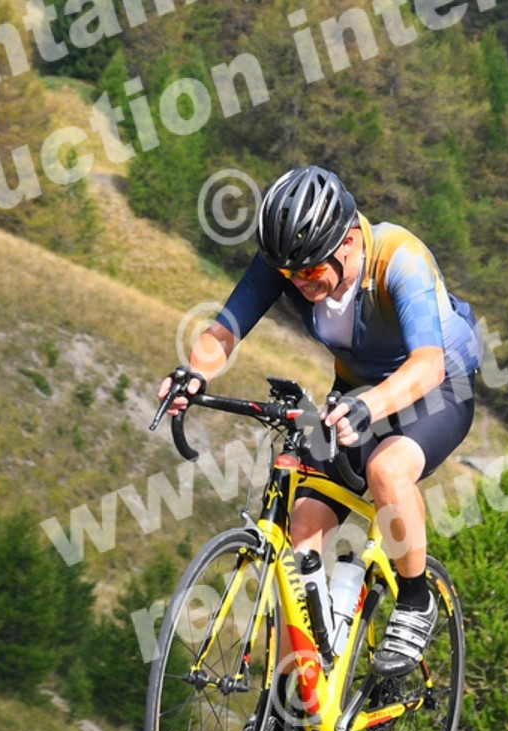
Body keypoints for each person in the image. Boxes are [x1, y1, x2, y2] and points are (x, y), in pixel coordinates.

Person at [157, 163, 480, 676]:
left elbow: (428, 364)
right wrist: (194, 374)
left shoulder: (400, 258)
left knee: (386, 471)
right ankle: (298, 689)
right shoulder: (289, 260)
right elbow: (225, 330)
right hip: (356, 391)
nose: (300, 283)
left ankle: (416, 601)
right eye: (290, 275)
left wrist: (370, 406)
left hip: (436, 387)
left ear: (347, 240)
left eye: (309, 272)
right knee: (303, 523)